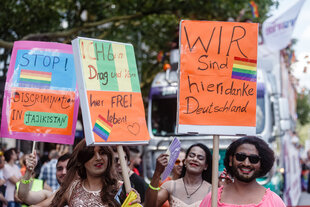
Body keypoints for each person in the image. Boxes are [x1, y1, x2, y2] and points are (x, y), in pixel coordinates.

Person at [50, 139, 141, 207]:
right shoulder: (72, 189)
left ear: (108, 157)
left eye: (102, 152)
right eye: (91, 154)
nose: (98, 158)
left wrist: (134, 202)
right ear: (82, 161)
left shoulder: (121, 189)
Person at [199, 136, 286, 207]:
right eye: (240, 157)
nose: (246, 163)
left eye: (253, 159)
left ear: (261, 164)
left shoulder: (274, 202)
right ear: (230, 160)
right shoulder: (212, 198)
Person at [145, 143, 212, 207]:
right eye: (191, 156)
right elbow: (150, 205)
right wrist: (157, 173)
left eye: (200, 158)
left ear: (206, 166)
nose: (194, 159)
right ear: (185, 161)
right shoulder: (170, 186)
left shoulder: (212, 190)